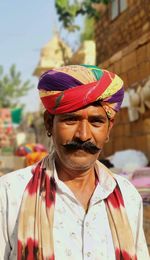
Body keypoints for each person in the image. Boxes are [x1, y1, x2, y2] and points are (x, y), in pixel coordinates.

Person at [0, 65, 149, 260]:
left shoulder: (128, 197)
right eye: (70, 120)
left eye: (96, 122)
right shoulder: (10, 194)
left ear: (109, 129)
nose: (83, 135)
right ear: (49, 123)